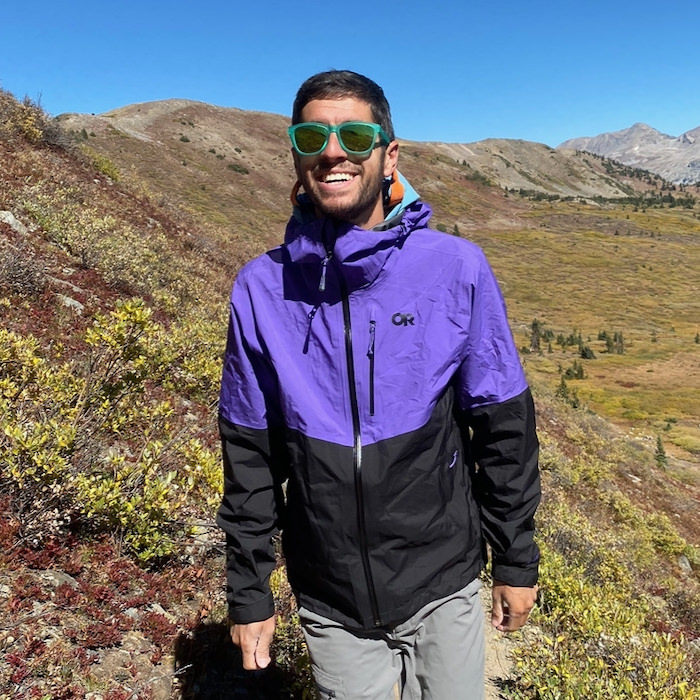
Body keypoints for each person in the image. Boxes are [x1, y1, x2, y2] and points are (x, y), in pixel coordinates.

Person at [217, 69, 541, 699]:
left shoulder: (455, 268)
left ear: (388, 153)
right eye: (312, 136)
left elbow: (503, 426)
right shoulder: (260, 289)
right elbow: (249, 456)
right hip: (330, 599)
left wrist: (516, 559)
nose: (332, 151)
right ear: (295, 153)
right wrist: (250, 591)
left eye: (354, 134)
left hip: (442, 583)